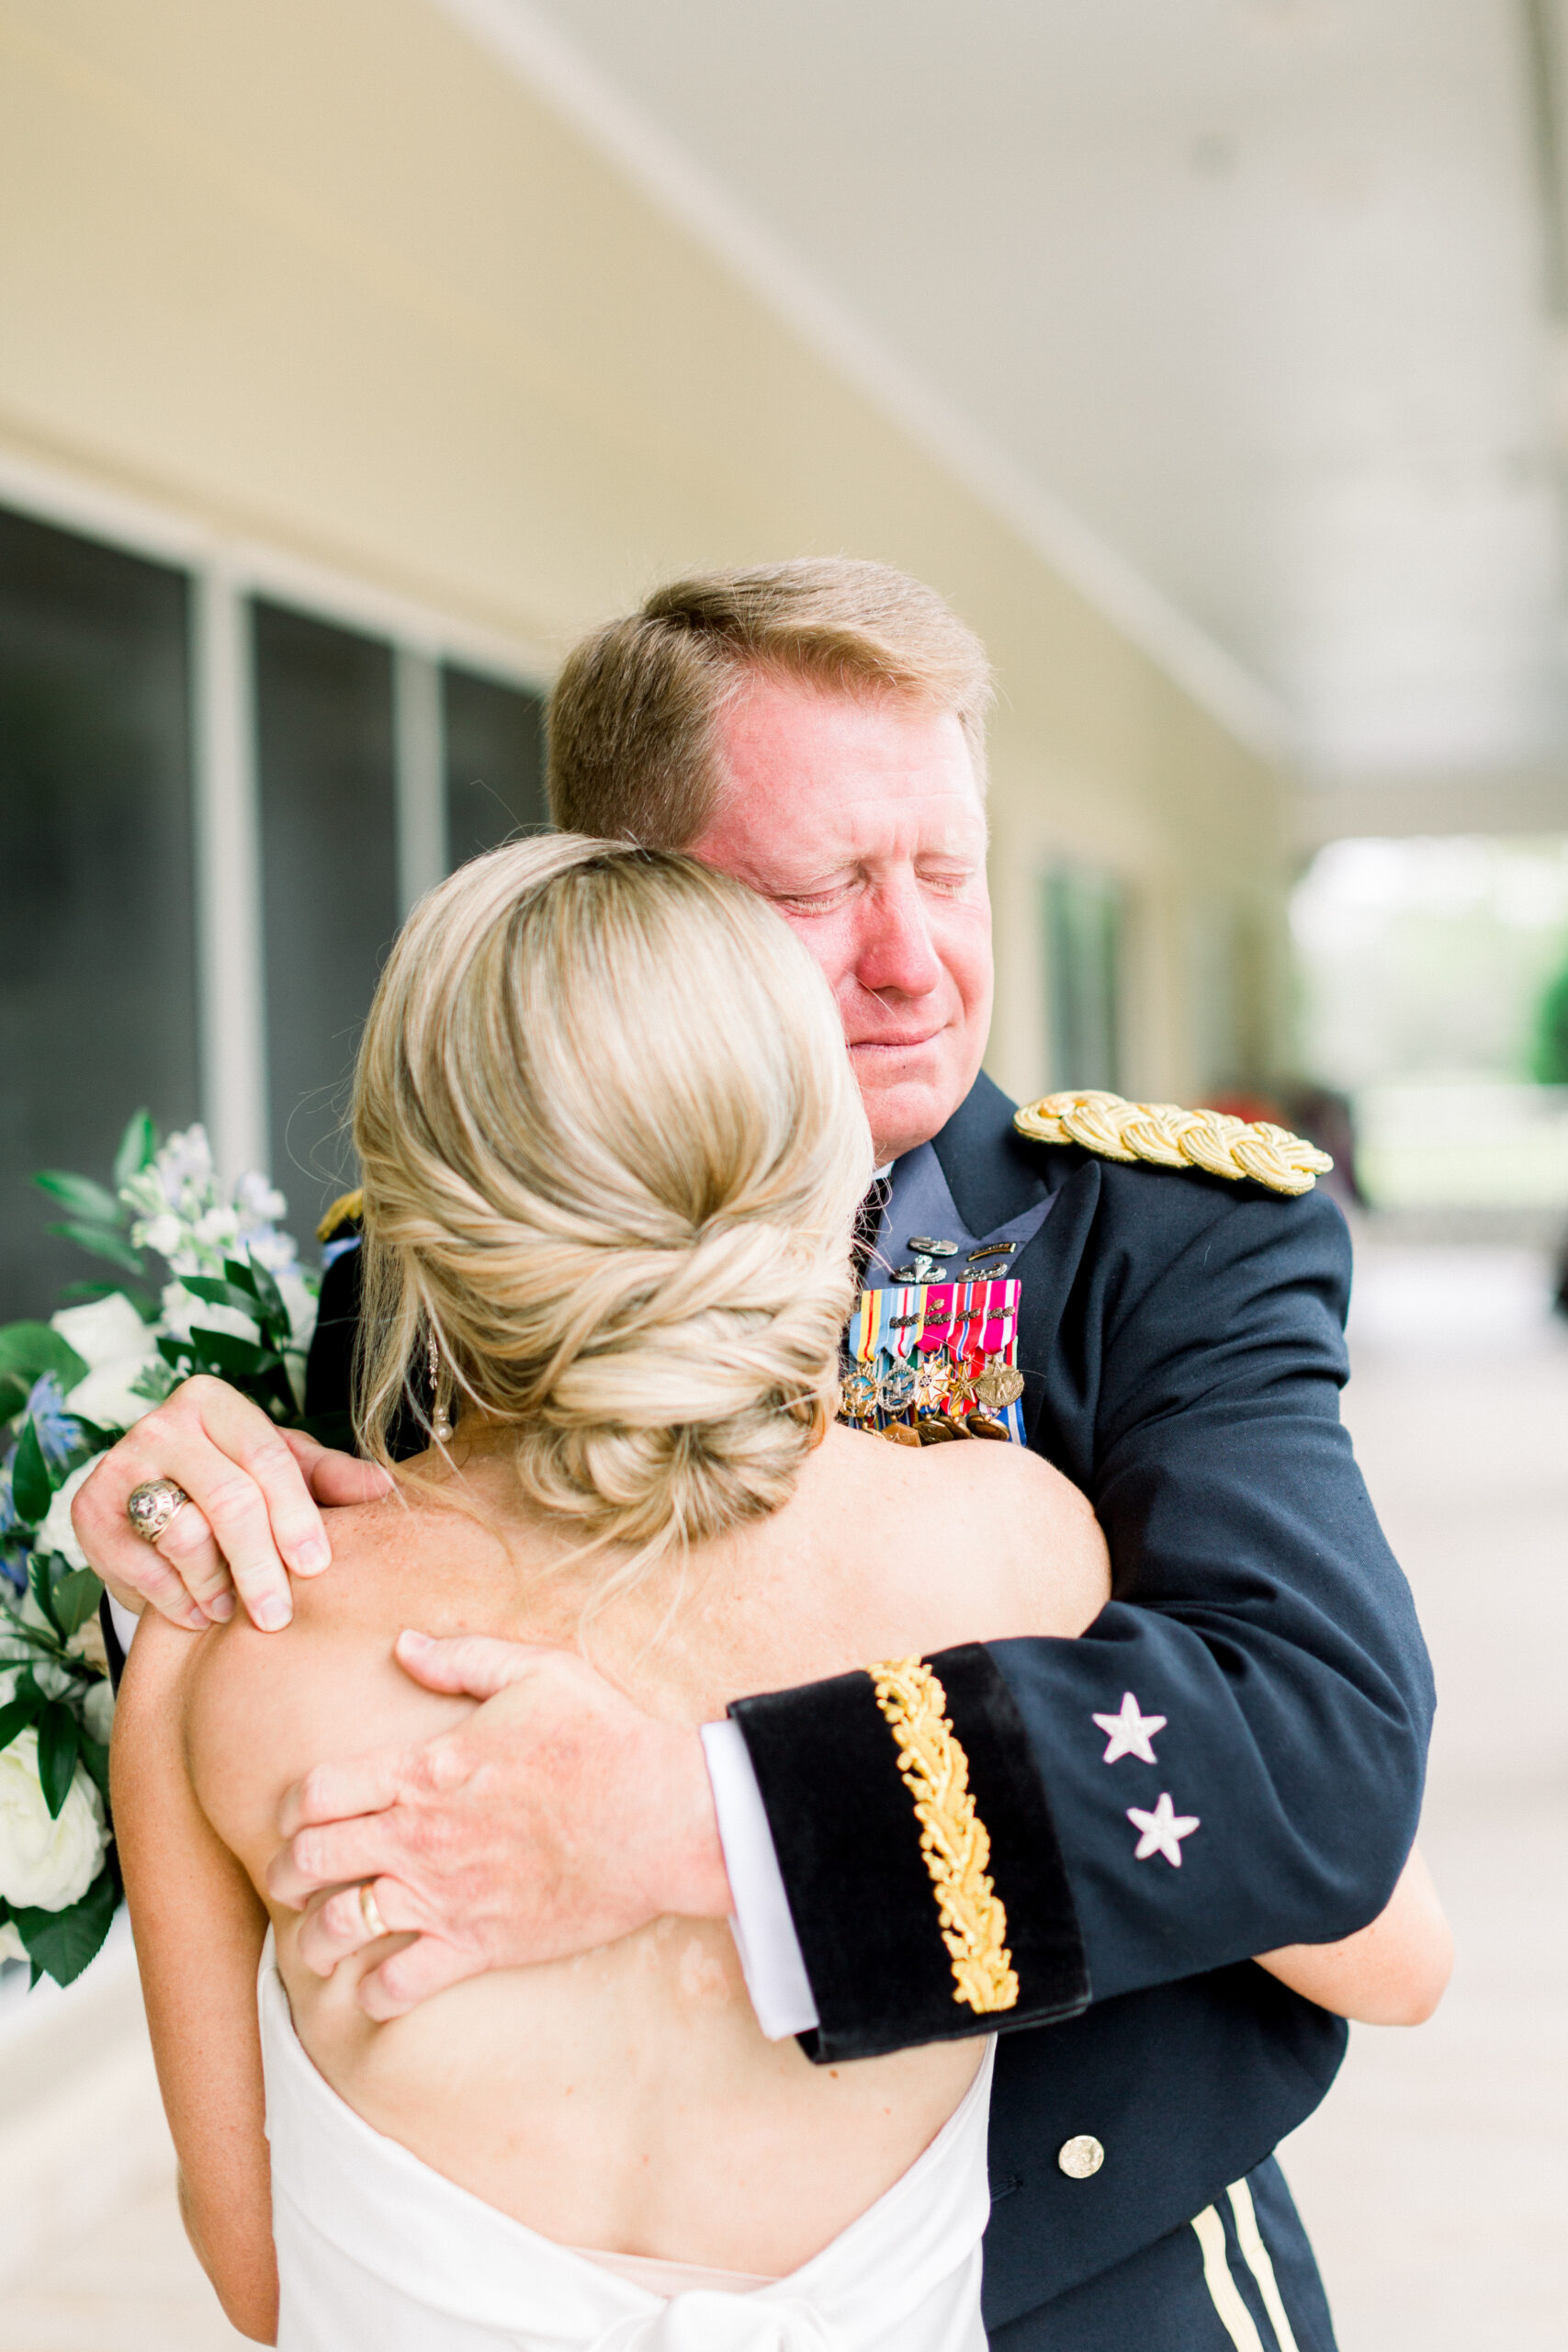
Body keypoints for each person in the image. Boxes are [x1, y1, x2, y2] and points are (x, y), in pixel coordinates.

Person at [78, 560, 1437, 2348]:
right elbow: (370, 1652)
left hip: (1107, 2265)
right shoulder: (421, 1272)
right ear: (633, 910)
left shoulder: (1167, 1235)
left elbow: (1325, 1774)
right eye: (818, 886)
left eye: (944, 868)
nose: (909, 956)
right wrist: (184, 1522)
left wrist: (701, 1811)